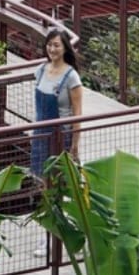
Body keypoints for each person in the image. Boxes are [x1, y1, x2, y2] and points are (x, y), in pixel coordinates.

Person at [30, 27, 83, 177]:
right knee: (39, 177)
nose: (52, 49)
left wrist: (74, 145)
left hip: (61, 136)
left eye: (57, 45)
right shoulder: (40, 70)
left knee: (58, 178)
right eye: (49, 44)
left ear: (65, 48)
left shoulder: (71, 77)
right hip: (40, 133)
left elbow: (78, 114)